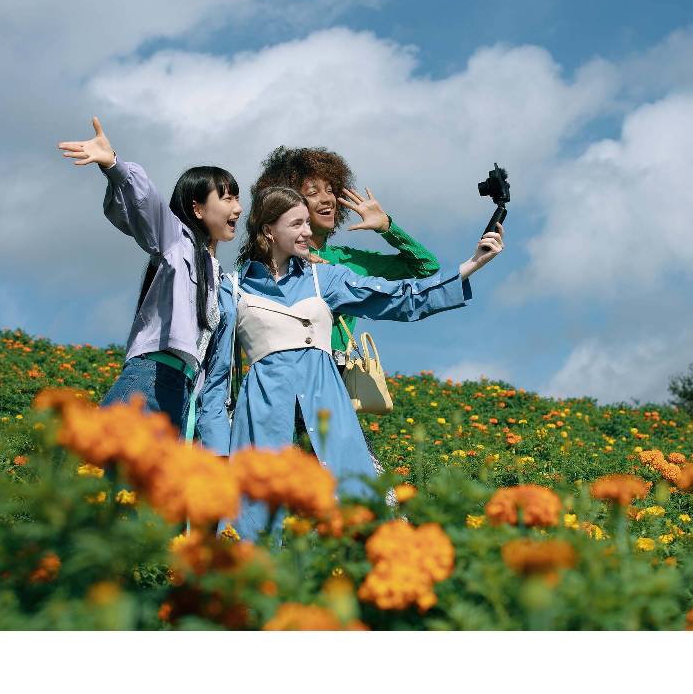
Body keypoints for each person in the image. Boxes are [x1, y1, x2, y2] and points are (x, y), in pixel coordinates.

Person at [197, 185, 503, 541]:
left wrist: (471, 264)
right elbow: (217, 380)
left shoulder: (324, 278)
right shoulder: (233, 288)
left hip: (329, 412)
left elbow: (399, 298)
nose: (307, 231)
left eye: (307, 222)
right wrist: (217, 453)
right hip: (260, 420)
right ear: (269, 230)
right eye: (296, 224)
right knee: (256, 532)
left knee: (361, 515)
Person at [57, 117, 242, 437]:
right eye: (227, 198)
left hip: (183, 391)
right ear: (197, 209)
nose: (237, 208)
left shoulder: (220, 277)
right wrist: (114, 165)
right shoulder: (177, 241)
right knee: (114, 467)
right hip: (151, 379)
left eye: (237, 198)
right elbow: (148, 205)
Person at [252, 147, 439, 371]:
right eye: (312, 193)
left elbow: (427, 267)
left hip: (339, 377)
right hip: (288, 374)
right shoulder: (271, 263)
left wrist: (387, 227)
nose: (327, 199)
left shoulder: (347, 260)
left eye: (330, 190)